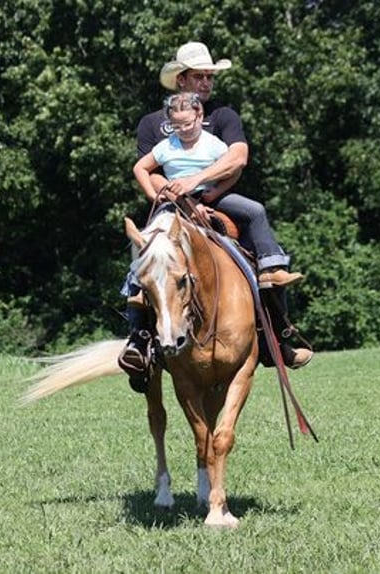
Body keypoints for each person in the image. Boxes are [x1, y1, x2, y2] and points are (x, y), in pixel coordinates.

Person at [119, 43, 312, 392]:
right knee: (147, 250)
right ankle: (139, 341)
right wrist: (171, 194)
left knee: (255, 216)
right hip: (173, 203)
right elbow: (152, 169)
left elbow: (238, 158)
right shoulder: (153, 123)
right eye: (199, 76)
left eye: (210, 76)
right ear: (181, 79)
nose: (206, 82)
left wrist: (201, 185)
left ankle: (277, 334)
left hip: (217, 197)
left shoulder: (224, 116)